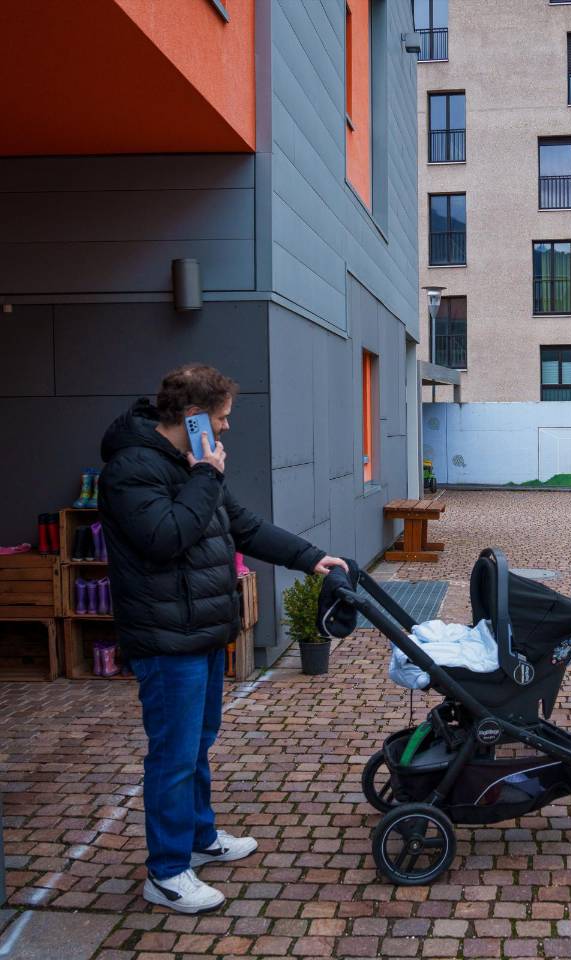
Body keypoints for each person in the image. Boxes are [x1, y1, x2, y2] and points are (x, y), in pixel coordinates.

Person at [98, 364, 347, 914]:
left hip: (203, 631)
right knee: (174, 755)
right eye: (221, 418)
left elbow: (245, 526)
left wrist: (311, 559)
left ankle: (198, 838)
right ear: (193, 420)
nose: (227, 429)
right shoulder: (133, 470)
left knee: (198, 743)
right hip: (167, 641)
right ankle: (165, 874)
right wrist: (205, 475)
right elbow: (165, 538)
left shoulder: (190, 464)